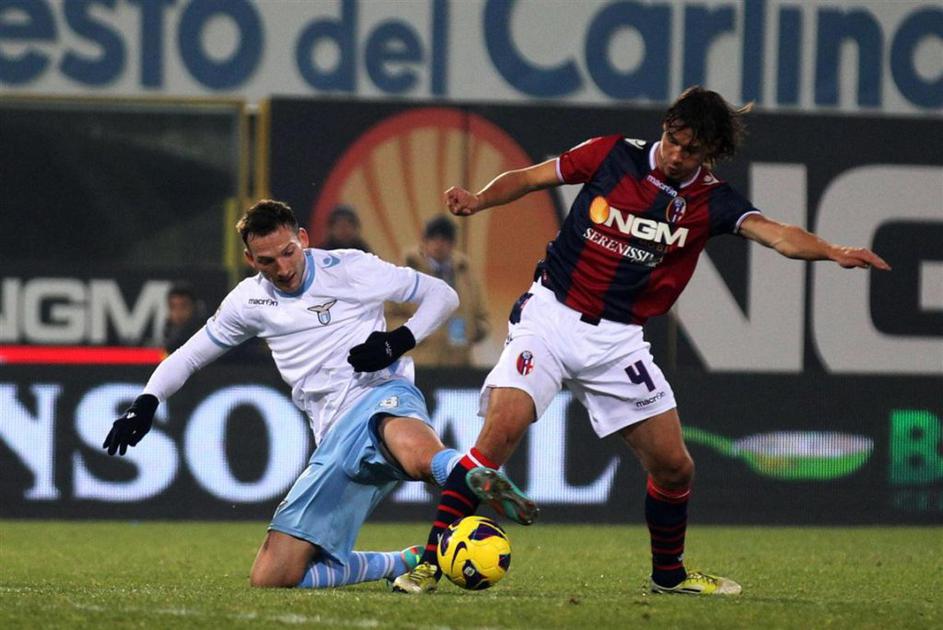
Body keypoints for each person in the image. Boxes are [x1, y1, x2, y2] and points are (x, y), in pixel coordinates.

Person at [391, 86, 891, 595]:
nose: (676, 155)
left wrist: (832, 250)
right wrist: (479, 199)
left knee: (675, 468)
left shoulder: (712, 200)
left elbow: (778, 234)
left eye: (691, 150)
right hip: (550, 318)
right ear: (665, 128)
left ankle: (668, 576)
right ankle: (428, 564)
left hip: (618, 342)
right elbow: (530, 177)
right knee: (499, 435)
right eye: (673, 140)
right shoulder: (612, 154)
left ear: (710, 152)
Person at [101, 200, 533, 590]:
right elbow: (189, 355)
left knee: (409, 445)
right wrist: (147, 402)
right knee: (272, 577)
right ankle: (404, 559)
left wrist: (395, 342)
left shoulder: (350, 268)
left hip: (380, 392)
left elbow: (442, 295)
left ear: (303, 239)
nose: (283, 268)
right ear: (250, 259)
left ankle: (461, 469)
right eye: (267, 261)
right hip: (332, 438)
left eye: (288, 252)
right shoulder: (248, 302)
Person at [388, 215, 490, 367]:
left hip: (458, 364)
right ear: (424, 241)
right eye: (433, 238)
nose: (439, 244)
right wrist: (415, 332)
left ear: (453, 244)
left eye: (445, 239)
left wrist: (471, 331)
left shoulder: (465, 273)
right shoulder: (406, 272)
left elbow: (482, 318)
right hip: (418, 364)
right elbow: (388, 316)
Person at [161, 282, 205, 354]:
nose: (178, 313)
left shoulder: (204, 335)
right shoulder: (168, 332)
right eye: (173, 307)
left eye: (183, 306)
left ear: (194, 307)